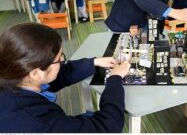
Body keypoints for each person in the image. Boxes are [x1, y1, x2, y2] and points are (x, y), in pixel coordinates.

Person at [0, 23, 130, 132]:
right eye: (59, 59)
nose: (63, 61)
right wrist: (115, 78)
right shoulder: (39, 121)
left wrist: (94, 62)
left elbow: (61, 74)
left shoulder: (14, 76)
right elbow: (108, 126)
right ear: (36, 73)